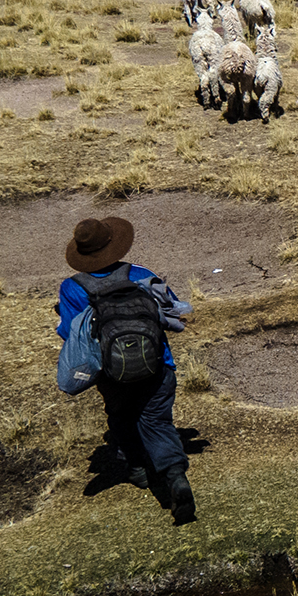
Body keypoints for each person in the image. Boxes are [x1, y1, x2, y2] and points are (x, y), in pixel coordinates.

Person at [57, 216, 197, 525]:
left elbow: (69, 334)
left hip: (111, 374)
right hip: (157, 366)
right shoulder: (141, 275)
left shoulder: (71, 288)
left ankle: (137, 469)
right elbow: (174, 309)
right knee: (157, 421)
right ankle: (175, 477)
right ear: (114, 245)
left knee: (121, 417)